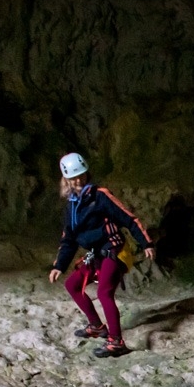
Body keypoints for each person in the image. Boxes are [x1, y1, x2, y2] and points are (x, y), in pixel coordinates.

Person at [48, 153, 155, 358]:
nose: (78, 180)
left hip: (115, 251)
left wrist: (146, 242)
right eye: (73, 177)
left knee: (104, 293)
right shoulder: (72, 205)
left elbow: (128, 218)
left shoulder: (100, 196)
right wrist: (59, 266)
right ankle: (97, 326)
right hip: (96, 254)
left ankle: (116, 342)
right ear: (66, 179)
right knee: (72, 285)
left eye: (81, 175)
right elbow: (68, 239)